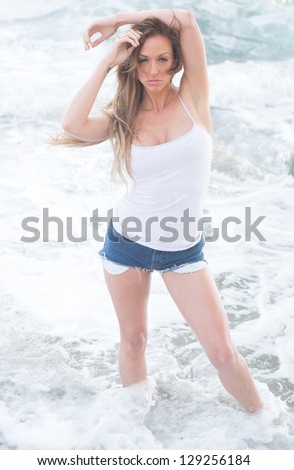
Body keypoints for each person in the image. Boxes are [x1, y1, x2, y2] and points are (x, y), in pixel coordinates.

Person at [59, 8, 263, 413]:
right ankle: (132, 431)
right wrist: (106, 60)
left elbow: (185, 18)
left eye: (163, 59)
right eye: (144, 60)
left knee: (222, 353)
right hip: (127, 243)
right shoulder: (123, 115)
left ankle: (268, 427)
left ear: (176, 63)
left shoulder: (194, 97)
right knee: (134, 340)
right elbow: (73, 124)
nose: (153, 69)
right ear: (133, 64)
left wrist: (116, 19)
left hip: (183, 251)